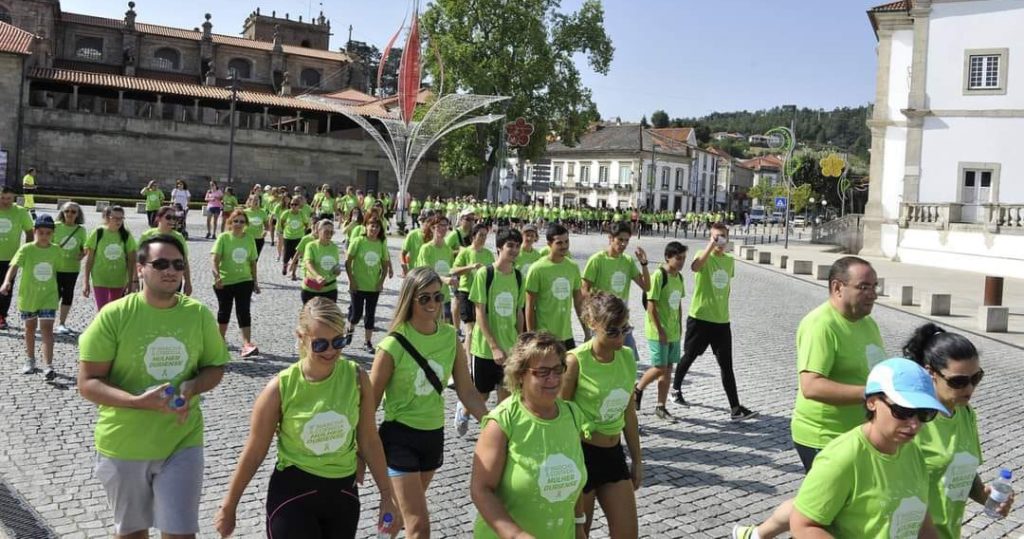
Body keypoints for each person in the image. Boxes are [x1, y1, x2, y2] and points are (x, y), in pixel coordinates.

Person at [78, 234, 229, 538]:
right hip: (124, 444)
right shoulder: (114, 315)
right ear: (140, 269)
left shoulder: (197, 314)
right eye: (160, 263)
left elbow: (215, 367)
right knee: (133, 532)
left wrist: (192, 386)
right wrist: (137, 402)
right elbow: (88, 383)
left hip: (181, 442)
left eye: (177, 264)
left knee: (181, 532)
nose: (171, 270)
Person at [214, 297, 397, 538]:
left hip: (343, 496)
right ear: (301, 337)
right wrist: (230, 505)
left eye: (338, 341)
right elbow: (255, 451)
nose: (331, 351)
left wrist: (387, 495)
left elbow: (369, 440)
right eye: (320, 344)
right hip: (293, 497)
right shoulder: (280, 388)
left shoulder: (357, 378)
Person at [733, 256, 884, 539]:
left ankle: (756, 535)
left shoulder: (868, 324)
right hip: (823, 435)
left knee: (815, 502)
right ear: (838, 287)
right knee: (827, 516)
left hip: (857, 434)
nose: (873, 293)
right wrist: (873, 395)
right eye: (864, 287)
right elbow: (812, 386)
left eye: (875, 286)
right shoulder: (821, 325)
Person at [369, 267, 487, 538]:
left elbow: (467, 392)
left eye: (438, 297)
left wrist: (493, 422)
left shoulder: (449, 338)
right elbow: (370, 403)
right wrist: (361, 451)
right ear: (410, 299)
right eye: (425, 298)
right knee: (419, 524)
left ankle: (383, 534)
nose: (433, 304)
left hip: (433, 436)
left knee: (401, 510)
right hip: (399, 437)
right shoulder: (393, 345)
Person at [790, 358, 947, 538]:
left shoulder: (912, 451)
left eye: (924, 413)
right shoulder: (841, 459)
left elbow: (921, 517)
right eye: (903, 411)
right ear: (872, 402)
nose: (914, 424)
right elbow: (803, 525)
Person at [471, 332, 587, 539]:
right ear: (520, 374)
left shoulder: (572, 414)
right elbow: (481, 490)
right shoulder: (502, 422)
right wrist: (516, 535)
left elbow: (573, 477)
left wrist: (579, 526)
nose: (552, 379)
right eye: (542, 372)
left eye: (557, 369)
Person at [904, 324, 1013, 538]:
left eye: (976, 378)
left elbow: (962, 468)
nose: (970, 389)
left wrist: (985, 495)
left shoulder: (965, 413)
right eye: (959, 381)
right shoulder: (912, 422)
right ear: (930, 372)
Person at [560, 291, 641, 538]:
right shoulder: (575, 361)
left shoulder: (627, 357)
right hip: (581, 456)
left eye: (624, 329)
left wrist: (637, 459)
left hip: (613, 454)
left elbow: (629, 412)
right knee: (579, 533)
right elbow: (560, 415)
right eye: (612, 331)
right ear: (592, 325)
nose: (620, 337)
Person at [671, 222, 757, 421]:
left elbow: (726, 287)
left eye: (723, 237)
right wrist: (710, 246)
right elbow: (695, 267)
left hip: (721, 321)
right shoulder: (703, 255)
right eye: (716, 237)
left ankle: (735, 408)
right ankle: (675, 389)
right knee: (690, 355)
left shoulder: (729, 261)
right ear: (711, 237)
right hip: (700, 318)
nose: (720, 241)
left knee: (727, 365)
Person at [455, 227, 525, 436]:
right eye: (509, 246)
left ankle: (502, 435)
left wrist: (519, 343)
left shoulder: (519, 277)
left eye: (517, 246)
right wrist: (494, 347)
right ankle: (463, 410)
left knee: (507, 395)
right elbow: (480, 314)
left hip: (510, 347)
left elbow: (518, 312)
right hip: (485, 349)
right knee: (482, 395)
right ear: (499, 248)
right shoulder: (486, 274)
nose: (514, 250)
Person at [1, 214, 61, 379]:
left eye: (48, 233)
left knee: (47, 329)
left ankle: (48, 365)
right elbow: (14, 266)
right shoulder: (26, 249)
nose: (44, 236)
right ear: (35, 232)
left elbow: (61, 270)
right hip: (28, 296)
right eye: (41, 232)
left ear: (52, 234)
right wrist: (6, 282)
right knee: (29, 329)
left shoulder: (56, 250)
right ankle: (30, 360)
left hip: (48, 295)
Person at [581, 222, 650, 364]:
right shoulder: (597, 260)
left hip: (622, 320)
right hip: (602, 319)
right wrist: (594, 312)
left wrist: (644, 265)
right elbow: (584, 290)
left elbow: (646, 287)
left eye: (626, 240)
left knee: (628, 358)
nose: (623, 244)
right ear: (610, 238)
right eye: (620, 240)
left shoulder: (628, 261)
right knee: (601, 359)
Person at [634, 241, 687, 421]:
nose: (681, 262)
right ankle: (638, 388)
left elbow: (678, 303)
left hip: (673, 331)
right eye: (678, 258)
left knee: (668, 369)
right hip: (658, 332)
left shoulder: (679, 278)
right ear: (668, 257)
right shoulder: (659, 275)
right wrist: (660, 331)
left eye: (683, 258)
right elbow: (651, 306)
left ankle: (661, 406)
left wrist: (679, 325)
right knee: (659, 367)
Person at [524, 223, 585, 351]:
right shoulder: (537, 269)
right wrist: (532, 336)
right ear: (549, 244)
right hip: (544, 336)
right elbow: (530, 305)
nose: (564, 246)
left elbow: (579, 302)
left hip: (566, 334)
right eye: (559, 243)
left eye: (566, 241)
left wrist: (587, 330)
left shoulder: (573, 267)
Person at [212, 209, 260, 358]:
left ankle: (246, 344)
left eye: (242, 221)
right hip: (225, 281)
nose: (238, 224)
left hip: (244, 280)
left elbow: (252, 262)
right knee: (224, 311)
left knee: (244, 311)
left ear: (246, 224)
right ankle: (220, 341)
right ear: (230, 222)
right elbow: (214, 259)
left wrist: (255, 281)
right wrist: (217, 276)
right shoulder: (223, 238)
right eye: (236, 221)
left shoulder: (249, 239)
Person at [345, 215, 392, 353]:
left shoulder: (381, 243)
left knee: (370, 315)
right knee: (356, 314)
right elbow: (348, 262)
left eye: (377, 226)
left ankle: (367, 341)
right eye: (372, 225)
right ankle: (350, 329)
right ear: (366, 226)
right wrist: (351, 280)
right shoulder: (358, 241)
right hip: (358, 285)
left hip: (373, 286)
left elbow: (384, 266)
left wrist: (381, 282)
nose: (374, 229)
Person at [83, 206, 138, 311]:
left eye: (121, 218)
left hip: (119, 278)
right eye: (115, 218)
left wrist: (131, 283)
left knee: (114, 311)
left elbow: (132, 261)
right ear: (108, 218)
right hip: (100, 277)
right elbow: (89, 259)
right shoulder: (98, 232)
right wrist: (86, 282)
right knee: (102, 310)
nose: (119, 221)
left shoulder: (126, 235)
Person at [451, 223, 495, 351]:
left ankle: (474, 354)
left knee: (480, 328)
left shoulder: (488, 254)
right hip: (467, 292)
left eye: (485, 235)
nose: (483, 238)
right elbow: (453, 270)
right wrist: (470, 267)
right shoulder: (465, 252)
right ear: (473, 236)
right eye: (480, 235)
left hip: (483, 295)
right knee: (470, 330)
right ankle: (469, 364)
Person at [0, 186, 34, 330]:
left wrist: (26, 252)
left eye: (9, 198)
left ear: (13, 198)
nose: (6, 201)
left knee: (6, 288)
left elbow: (29, 232)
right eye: (2, 198)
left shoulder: (20, 212)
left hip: (10, 258)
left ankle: (1, 316)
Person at [140, 206, 194, 296]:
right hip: (152, 278)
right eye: (168, 217)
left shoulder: (179, 237)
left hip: (173, 278)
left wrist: (188, 282)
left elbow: (184, 261)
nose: (172, 221)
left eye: (175, 218)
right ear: (159, 218)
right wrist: (136, 280)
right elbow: (139, 259)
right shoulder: (147, 235)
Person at [53, 201, 87, 334]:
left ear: (78, 214)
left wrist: (83, 253)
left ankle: (61, 323)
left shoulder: (81, 230)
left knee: (68, 295)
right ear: (62, 212)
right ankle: (47, 320)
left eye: (73, 212)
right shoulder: (55, 226)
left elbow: (85, 246)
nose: (70, 214)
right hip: (55, 267)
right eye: (67, 211)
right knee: (53, 295)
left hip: (72, 268)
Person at [416, 215, 456, 323]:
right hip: (430, 296)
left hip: (444, 296)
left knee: (445, 327)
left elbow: (451, 270)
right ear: (433, 228)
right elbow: (427, 274)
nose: (443, 228)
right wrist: (444, 279)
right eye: (440, 226)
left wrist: (456, 278)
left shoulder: (448, 249)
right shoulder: (426, 249)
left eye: (445, 226)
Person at [447, 209, 477, 337]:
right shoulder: (455, 234)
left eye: (472, 219)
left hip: (468, 271)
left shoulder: (472, 234)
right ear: (461, 219)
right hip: (457, 269)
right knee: (457, 298)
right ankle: (456, 328)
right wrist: (459, 251)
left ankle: (468, 327)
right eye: (468, 219)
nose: (470, 222)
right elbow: (445, 250)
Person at [301, 220, 342, 305]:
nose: (329, 235)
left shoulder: (334, 247)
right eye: (326, 232)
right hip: (312, 289)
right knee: (310, 317)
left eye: (331, 232)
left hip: (330, 289)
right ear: (318, 231)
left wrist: (337, 270)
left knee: (328, 317)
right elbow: (308, 263)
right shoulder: (311, 246)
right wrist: (317, 276)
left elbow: (336, 264)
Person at [278, 196, 311, 278]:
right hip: (288, 237)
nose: (293, 206)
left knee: (295, 256)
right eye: (291, 204)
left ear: (299, 206)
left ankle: (293, 274)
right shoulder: (286, 213)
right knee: (286, 254)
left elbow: (307, 224)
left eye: (295, 204)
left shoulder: (301, 213)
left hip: (298, 237)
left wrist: (304, 231)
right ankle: (285, 265)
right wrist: (284, 229)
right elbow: (282, 221)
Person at [401, 209, 433, 277]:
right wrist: (404, 266)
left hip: (430, 274)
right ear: (422, 221)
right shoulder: (413, 234)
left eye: (433, 222)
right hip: (414, 273)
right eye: (428, 221)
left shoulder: (435, 236)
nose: (431, 224)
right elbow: (403, 253)